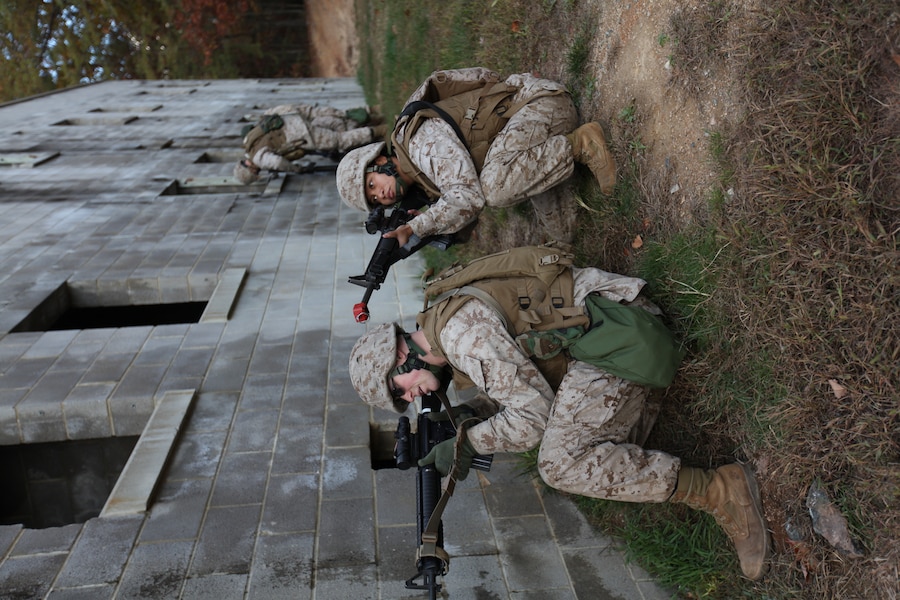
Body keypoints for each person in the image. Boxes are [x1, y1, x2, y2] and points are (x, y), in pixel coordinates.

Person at [348, 258, 770, 581]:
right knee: (596, 456)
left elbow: (532, 420)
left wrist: (471, 442)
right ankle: (640, 409)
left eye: (399, 389)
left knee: (560, 464)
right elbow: (522, 370)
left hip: (619, 334)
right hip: (603, 326)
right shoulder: (443, 323)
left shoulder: (462, 339)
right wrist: (473, 413)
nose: (411, 398)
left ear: (400, 356)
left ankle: (720, 490)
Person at [335, 67, 617, 245]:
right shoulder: (420, 183)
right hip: (517, 142)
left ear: (379, 161)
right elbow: (465, 217)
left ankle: (581, 144)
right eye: (375, 199)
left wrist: (416, 227)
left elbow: (471, 198)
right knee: (564, 233)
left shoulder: (420, 144)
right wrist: (433, 225)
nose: (381, 195)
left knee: (495, 189)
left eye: (372, 184)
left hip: (540, 107)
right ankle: (552, 158)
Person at [234, 104, 387, 184]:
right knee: (333, 121)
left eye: (255, 173)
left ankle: (381, 130)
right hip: (289, 116)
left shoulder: (258, 158)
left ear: (251, 171)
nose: (258, 172)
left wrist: (297, 169)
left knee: (340, 140)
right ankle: (372, 114)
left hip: (298, 132)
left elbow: (277, 162)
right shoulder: (247, 141)